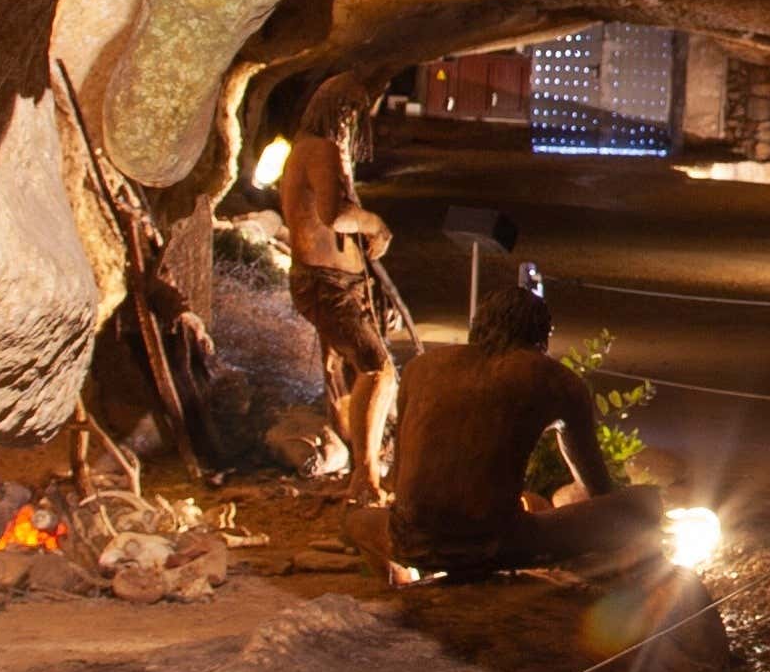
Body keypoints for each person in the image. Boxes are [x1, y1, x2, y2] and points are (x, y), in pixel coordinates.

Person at [380, 272, 666, 580]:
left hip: (407, 540)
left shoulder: (419, 368)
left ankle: (395, 579)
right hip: (493, 544)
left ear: (479, 324)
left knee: (353, 521)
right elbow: (598, 488)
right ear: (543, 334)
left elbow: (400, 476)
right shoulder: (556, 380)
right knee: (644, 503)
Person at [274, 126, 410, 501]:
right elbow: (335, 215)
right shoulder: (320, 149)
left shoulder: (314, 149)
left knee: (341, 370)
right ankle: (365, 480)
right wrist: (376, 226)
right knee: (377, 370)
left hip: (337, 283)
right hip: (328, 285)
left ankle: (360, 462)